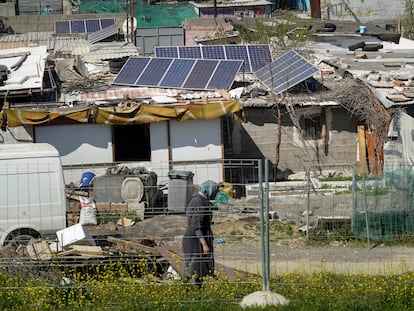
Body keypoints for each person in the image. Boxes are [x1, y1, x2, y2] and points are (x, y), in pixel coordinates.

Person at [182, 180, 218, 288]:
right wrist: (204, 244)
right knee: (194, 266)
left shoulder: (201, 200)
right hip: (195, 241)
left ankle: (198, 289)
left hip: (196, 239)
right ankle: (187, 288)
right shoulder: (199, 203)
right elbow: (196, 225)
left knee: (200, 267)